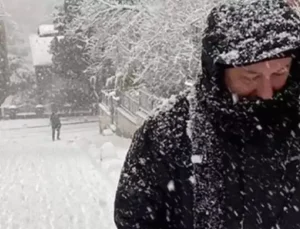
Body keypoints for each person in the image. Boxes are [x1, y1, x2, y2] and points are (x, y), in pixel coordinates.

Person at [114, 0, 300, 229]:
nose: (267, 93)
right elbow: (134, 219)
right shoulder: (166, 132)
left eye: (281, 72)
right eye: (250, 77)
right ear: (217, 71)